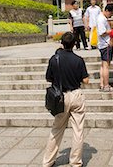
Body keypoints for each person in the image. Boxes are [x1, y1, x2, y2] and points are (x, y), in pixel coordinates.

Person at [43, 32, 89, 167]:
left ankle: (48, 161)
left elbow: (48, 78)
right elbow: (85, 80)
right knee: (78, 130)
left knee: (57, 129)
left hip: (61, 98)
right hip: (76, 95)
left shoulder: (54, 59)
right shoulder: (79, 60)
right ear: (74, 44)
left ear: (62, 43)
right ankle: (75, 162)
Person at [97, 3, 113, 92]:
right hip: (106, 44)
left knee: (103, 65)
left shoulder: (102, 18)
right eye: (111, 13)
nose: (111, 15)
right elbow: (102, 32)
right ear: (108, 11)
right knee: (106, 66)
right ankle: (106, 85)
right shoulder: (101, 19)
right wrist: (112, 31)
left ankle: (102, 84)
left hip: (103, 44)